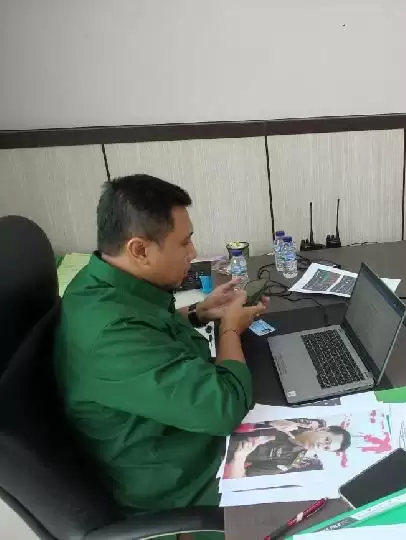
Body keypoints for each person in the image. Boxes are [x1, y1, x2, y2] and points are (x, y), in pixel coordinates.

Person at [54, 175, 267, 532]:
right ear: (139, 250)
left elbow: (147, 332)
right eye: (184, 242)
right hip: (183, 485)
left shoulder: (95, 282)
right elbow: (224, 407)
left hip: (175, 433)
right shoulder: (111, 336)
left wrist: (199, 312)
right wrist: (229, 329)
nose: (193, 253)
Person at [224, 425, 351, 478]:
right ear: (323, 429)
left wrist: (239, 458)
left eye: (326, 448)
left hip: (220, 453)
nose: (321, 445)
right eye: (326, 440)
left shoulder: (289, 461)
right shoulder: (293, 419)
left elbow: (239, 479)